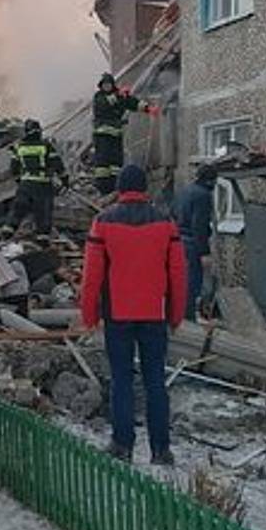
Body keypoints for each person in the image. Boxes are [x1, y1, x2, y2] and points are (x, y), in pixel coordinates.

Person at [80, 164, 187, 465]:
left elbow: (92, 276)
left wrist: (89, 315)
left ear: (119, 188)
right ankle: (161, 450)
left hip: (118, 314)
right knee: (155, 381)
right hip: (154, 313)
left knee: (122, 380)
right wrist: (176, 315)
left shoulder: (102, 222)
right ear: (144, 189)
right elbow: (178, 274)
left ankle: (122, 445)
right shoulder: (166, 223)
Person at [91, 73, 157, 195]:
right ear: (101, 86)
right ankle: (102, 189)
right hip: (102, 135)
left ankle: (114, 187)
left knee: (116, 163)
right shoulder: (98, 97)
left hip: (116, 135)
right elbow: (105, 104)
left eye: (109, 84)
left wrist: (148, 108)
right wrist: (118, 94)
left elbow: (133, 103)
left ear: (112, 85)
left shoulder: (119, 96)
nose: (107, 87)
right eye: (105, 85)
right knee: (102, 165)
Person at [174, 163, 217, 321]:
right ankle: (188, 318)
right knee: (192, 284)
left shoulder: (184, 191)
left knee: (181, 282)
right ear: (210, 181)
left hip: (179, 241)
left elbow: (173, 214)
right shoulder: (203, 195)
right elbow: (199, 225)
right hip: (192, 244)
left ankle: (180, 316)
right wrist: (204, 252)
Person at [9, 119, 66, 236]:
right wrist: (65, 180)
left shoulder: (19, 147)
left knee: (17, 210)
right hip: (42, 185)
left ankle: (7, 231)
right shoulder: (45, 146)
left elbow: (14, 169)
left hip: (25, 184)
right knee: (43, 213)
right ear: (39, 131)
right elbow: (58, 164)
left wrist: (20, 181)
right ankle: (43, 238)